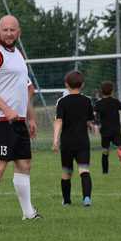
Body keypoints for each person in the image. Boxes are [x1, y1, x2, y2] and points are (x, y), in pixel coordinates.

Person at [0, 15, 40, 225]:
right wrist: (7, 109)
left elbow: (25, 89)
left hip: (18, 121)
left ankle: (29, 212)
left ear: (18, 32)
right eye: (5, 30)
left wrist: (30, 117)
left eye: (13, 30)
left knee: (24, 163)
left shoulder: (18, 55)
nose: (9, 33)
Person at [52, 71, 94, 207]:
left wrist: (55, 140)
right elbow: (89, 121)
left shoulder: (62, 102)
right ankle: (86, 198)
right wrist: (91, 127)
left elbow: (59, 121)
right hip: (82, 141)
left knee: (66, 172)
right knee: (84, 170)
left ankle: (67, 201)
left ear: (66, 85)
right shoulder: (87, 101)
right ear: (82, 84)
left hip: (67, 142)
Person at [94, 81, 121, 174]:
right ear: (112, 91)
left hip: (105, 131)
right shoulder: (115, 102)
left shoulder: (98, 103)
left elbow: (93, 114)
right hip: (115, 129)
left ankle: (105, 171)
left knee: (105, 152)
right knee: (120, 146)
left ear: (101, 91)